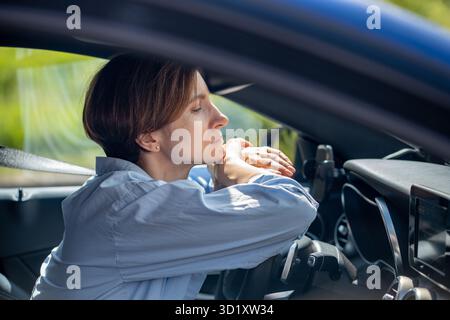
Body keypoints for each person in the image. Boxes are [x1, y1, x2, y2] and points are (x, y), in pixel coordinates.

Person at [31, 54, 318, 299]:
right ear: (149, 139)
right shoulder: (130, 210)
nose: (221, 118)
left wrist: (222, 165)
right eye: (197, 109)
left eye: (211, 102)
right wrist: (231, 165)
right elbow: (294, 209)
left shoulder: (149, 192)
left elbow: (204, 190)